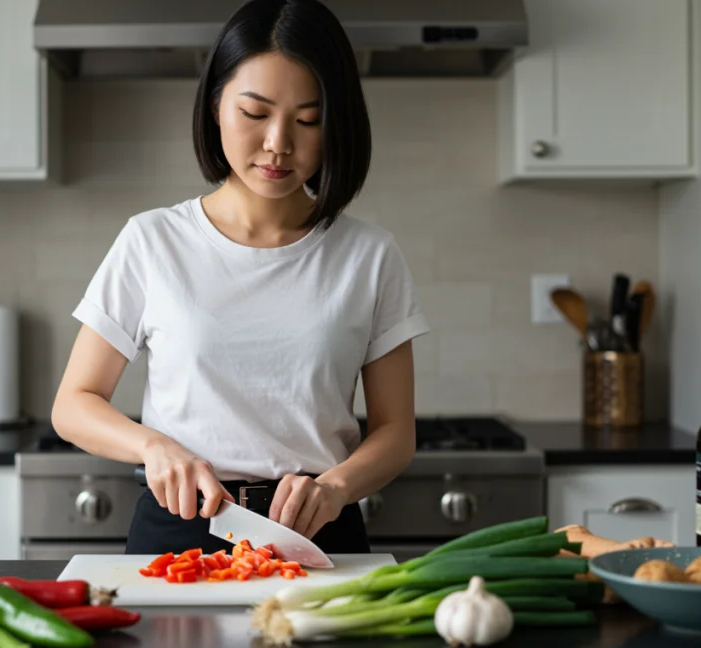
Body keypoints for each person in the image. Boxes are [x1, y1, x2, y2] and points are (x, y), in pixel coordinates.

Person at [50, 0, 430, 556]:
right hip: (180, 530)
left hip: (318, 530)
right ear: (215, 108)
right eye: (255, 113)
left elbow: (396, 434)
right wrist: (153, 446)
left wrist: (334, 488)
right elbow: (74, 404)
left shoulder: (370, 255)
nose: (279, 142)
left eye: (307, 120)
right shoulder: (152, 241)